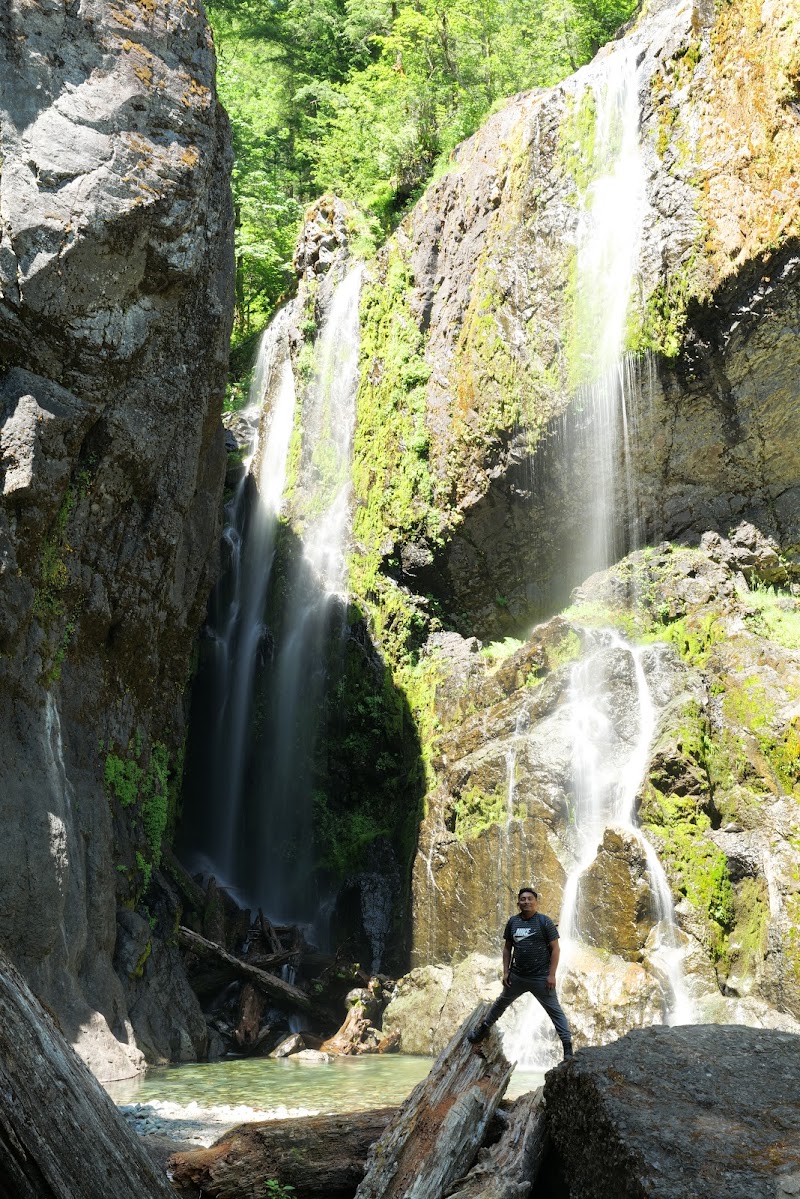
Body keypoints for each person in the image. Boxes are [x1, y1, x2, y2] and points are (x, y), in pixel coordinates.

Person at [467, 886, 573, 1059]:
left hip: (541, 978)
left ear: (536, 902)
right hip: (517, 977)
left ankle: (567, 1048)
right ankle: (483, 1030)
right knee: (500, 1003)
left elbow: (556, 949)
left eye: (530, 899)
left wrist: (552, 975)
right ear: (518, 903)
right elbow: (507, 948)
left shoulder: (544, 922)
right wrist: (506, 971)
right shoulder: (513, 922)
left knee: (555, 1012)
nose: (526, 902)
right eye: (523, 899)